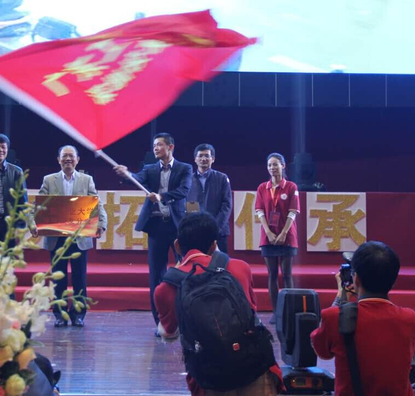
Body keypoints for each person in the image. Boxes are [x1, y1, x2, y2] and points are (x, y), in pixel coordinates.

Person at [154, 212, 283, 396]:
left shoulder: (167, 287)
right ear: (214, 245)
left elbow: (169, 333)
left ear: (177, 245)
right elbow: (251, 311)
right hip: (255, 367)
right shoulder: (240, 268)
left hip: (210, 378)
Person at [311, 241, 415, 396]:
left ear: (356, 279)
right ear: (394, 281)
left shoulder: (334, 317)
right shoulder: (410, 319)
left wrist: (340, 297)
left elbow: (322, 352)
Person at [114, 133, 193, 332]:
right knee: (156, 274)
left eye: (159, 145)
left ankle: (186, 318)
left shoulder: (184, 168)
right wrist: (127, 174)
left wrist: (161, 196)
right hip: (156, 227)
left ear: (170, 147)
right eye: (154, 145)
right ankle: (161, 322)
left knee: (185, 269)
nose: (156, 148)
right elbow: (137, 178)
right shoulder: (150, 169)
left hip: (177, 227)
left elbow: (183, 191)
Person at [30, 145, 107, 328]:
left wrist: (102, 224)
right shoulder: (49, 180)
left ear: (77, 160)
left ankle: (78, 315)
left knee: (80, 278)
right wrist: (33, 223)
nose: (68, 159)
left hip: (80, 238)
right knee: (58, 278)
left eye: (71, 156)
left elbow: (97, 204)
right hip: (56, 237)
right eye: (64, 156)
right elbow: (38, 206)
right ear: (58, 160)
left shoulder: (87, 180)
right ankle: (59, 314)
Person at [254, 152, 300, 324]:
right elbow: (259, 211)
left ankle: (290, 310)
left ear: (283, 166)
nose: (272, 168)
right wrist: (268, 232)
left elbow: (293, 212)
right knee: (272, 274)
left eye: (275, 164)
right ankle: (276, 311)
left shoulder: (291, 187)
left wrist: (283, 233)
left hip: (287, 235)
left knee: (287, 274)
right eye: (269, 165)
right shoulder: (262, 188)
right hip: (268, 237)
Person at [187, 143, 233, 254]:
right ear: (195, 159)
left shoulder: (222, 178)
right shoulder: (188, 180)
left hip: (218, 232)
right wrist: (195, 227)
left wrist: (215, 227)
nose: (203, 159)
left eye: (207, 156)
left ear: (213, 159)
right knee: (198, 262)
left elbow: (226, 205)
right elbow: (189, 204)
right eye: (200, 156)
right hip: (196, 232)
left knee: (220, 263)